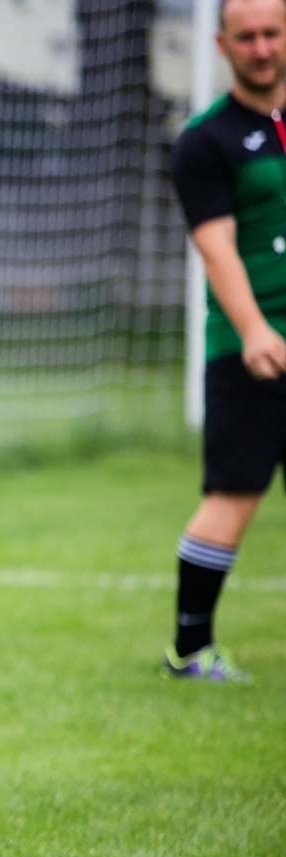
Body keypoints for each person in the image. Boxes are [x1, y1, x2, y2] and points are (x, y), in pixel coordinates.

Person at [165, 0, 286, 680]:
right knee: (234, 493)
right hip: (251, 347)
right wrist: (253, 329)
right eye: (247, 37)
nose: (262, 48)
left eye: (272, 33)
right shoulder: (204, 140)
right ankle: (189, 648)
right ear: (222, 44)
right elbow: (217, 250)